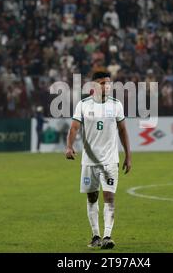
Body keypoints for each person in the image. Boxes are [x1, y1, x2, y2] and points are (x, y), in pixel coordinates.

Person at [65, 71, 132, 249]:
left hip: (110, 160)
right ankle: (95, 236)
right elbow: (74, 127)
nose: (106, 86)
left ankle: (107, 236)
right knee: (92, 198)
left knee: (109, 197)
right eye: (102, 83)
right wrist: (69, 146)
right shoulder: (83, 105)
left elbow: (123, 130)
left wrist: (128, 156)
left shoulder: (116, 105)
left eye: (108, 83)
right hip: (89, 161)